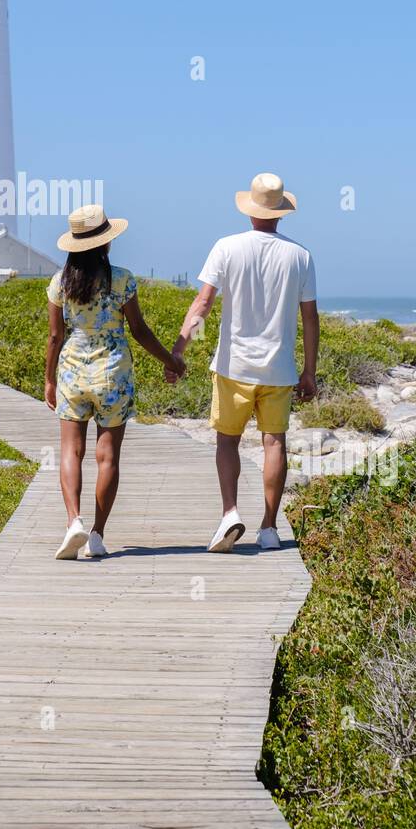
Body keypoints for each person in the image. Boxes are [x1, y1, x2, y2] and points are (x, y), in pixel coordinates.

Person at [168, 173, 319, 553]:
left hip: (234, 366)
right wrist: (309, 371)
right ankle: (269, 528)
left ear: (250, 210)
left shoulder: (227, 247)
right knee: (274, 443)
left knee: (227, 442)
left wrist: (180, 349)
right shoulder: (300, 256)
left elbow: (203, 304)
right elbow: (310, 318)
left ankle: (230, 512)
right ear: (281, 213)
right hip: (279, 368)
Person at [45, 203, 185, 560]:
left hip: (72, 372)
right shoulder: (122, 279)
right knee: (107, 457)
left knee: (70, 452)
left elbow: (54, 338)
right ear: (106, 243)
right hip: (114, 373)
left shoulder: (60, 283)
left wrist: (48, 380)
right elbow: (139, 331)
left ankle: (73, 520)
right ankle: (96, 535)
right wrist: (172, 361)